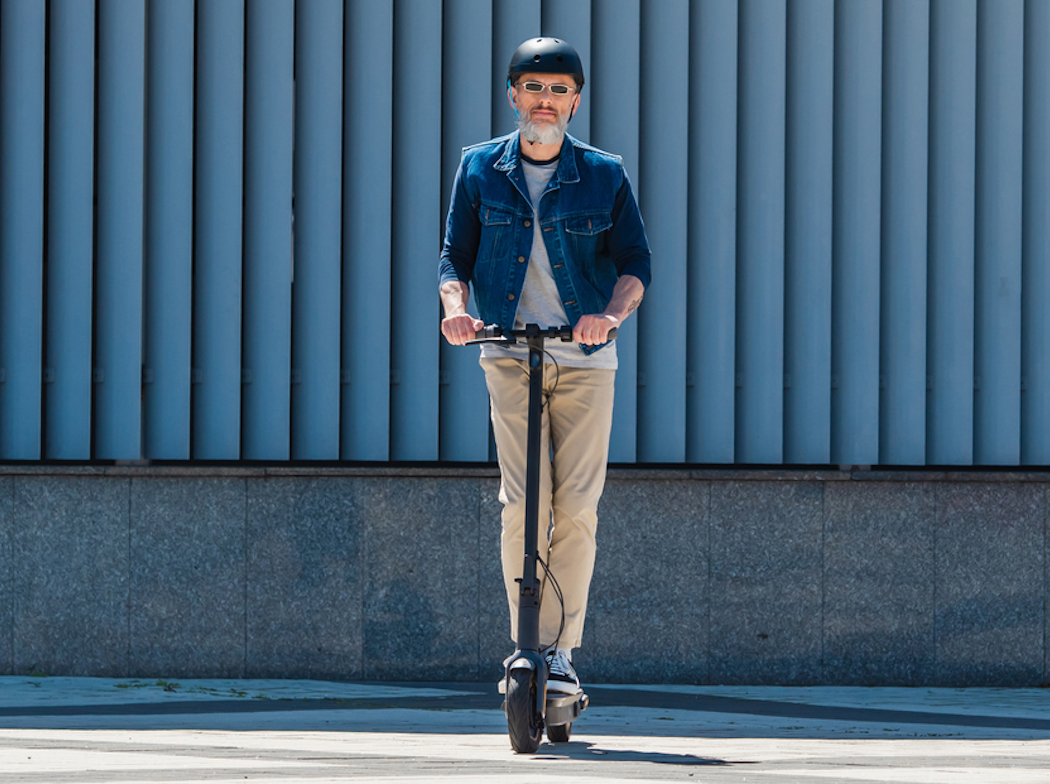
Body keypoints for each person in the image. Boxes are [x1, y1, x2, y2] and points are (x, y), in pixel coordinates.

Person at [438, 37, 651, 695]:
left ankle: (560, 653)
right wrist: (456, 311)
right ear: (513, 94)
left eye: (560, 90)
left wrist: (609, 316)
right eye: (534, 88)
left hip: (586, 358)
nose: (546, 101)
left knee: (577, 506)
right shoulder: (480, 169)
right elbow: (454, 259)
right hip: (509, 353)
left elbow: (636, 265)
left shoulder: (604, 174)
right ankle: (525, 644)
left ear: (575, 101)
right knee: (522, 504)